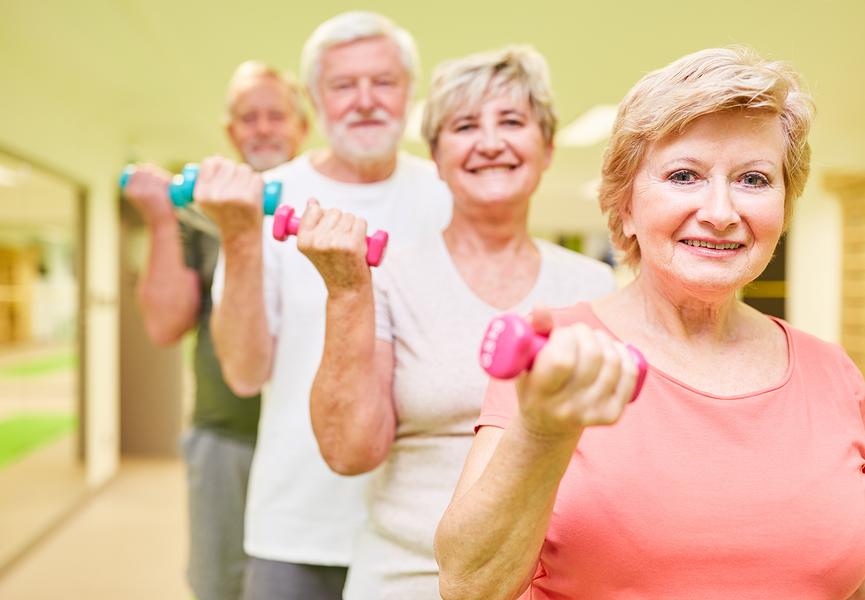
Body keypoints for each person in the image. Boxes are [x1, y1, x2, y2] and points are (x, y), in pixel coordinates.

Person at [434, 46, 865, 600]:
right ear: (624, 207)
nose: (722, 212)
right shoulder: (556, 357)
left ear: (783, 206)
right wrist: (544, 430)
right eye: (684, 175)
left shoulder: (831, 371)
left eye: (754, 179)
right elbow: (469, 585)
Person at [296, 46, 617, 599]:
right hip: (405, 574)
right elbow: (349, 452)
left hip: (551, 581)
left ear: (546, 148)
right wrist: (348, 290)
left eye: (512, 121)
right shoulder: (388, 275)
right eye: (465, 126)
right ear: (438, 158)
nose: (490, 142)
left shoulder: (596, 287)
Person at [193, 11, 453, 600]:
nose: (365, 100)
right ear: (316, 98)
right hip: (296, 528)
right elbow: (243, 371)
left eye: (383, 82)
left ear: (409, 92)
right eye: (343, 85)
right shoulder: (262, 201)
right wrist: (238, 235)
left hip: (424, 526)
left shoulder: (447, 197)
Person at [121, 61, 306, 600]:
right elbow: (164, 324)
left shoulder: (325, 204)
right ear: (231, 133)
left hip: (311, 440)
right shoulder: (201, 211)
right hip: (227, 435)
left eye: (277, 115)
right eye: (249, 117)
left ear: (302, 126)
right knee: (220, 585)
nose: (264, 128)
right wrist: (161, 217)